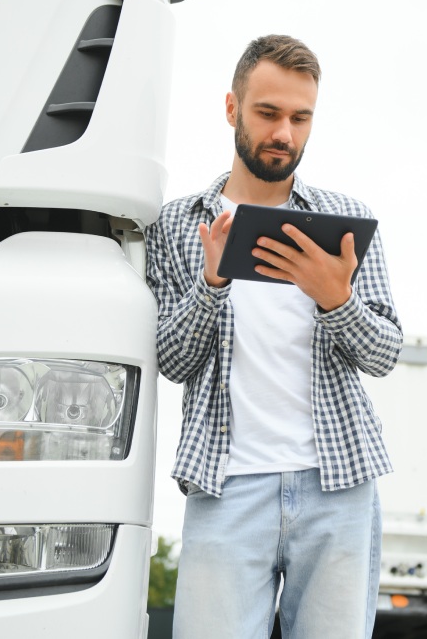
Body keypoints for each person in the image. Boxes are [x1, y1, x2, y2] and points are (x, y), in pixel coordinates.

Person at [145, 34, 402, 639]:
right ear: (233, 108)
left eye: (300, 117)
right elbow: (172, 361)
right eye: (268, 113)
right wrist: (211, 283)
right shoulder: (179, 226)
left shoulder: (345, 224)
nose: (284, 132)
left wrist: (335, 297)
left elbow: (386, 352)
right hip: (226, 486)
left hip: (339, 485)